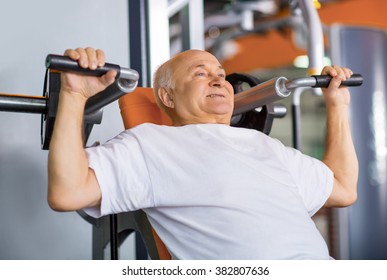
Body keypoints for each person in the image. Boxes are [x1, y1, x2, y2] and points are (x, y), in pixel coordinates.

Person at [47, 47, 358, 259]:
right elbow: (68, 192)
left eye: (221, 74)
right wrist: (74, 95)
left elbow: (343, 188)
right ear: (167, 97)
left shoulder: (266, 146)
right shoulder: (153, 144)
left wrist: (337, 104)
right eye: (199, 74)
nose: (218, 79)